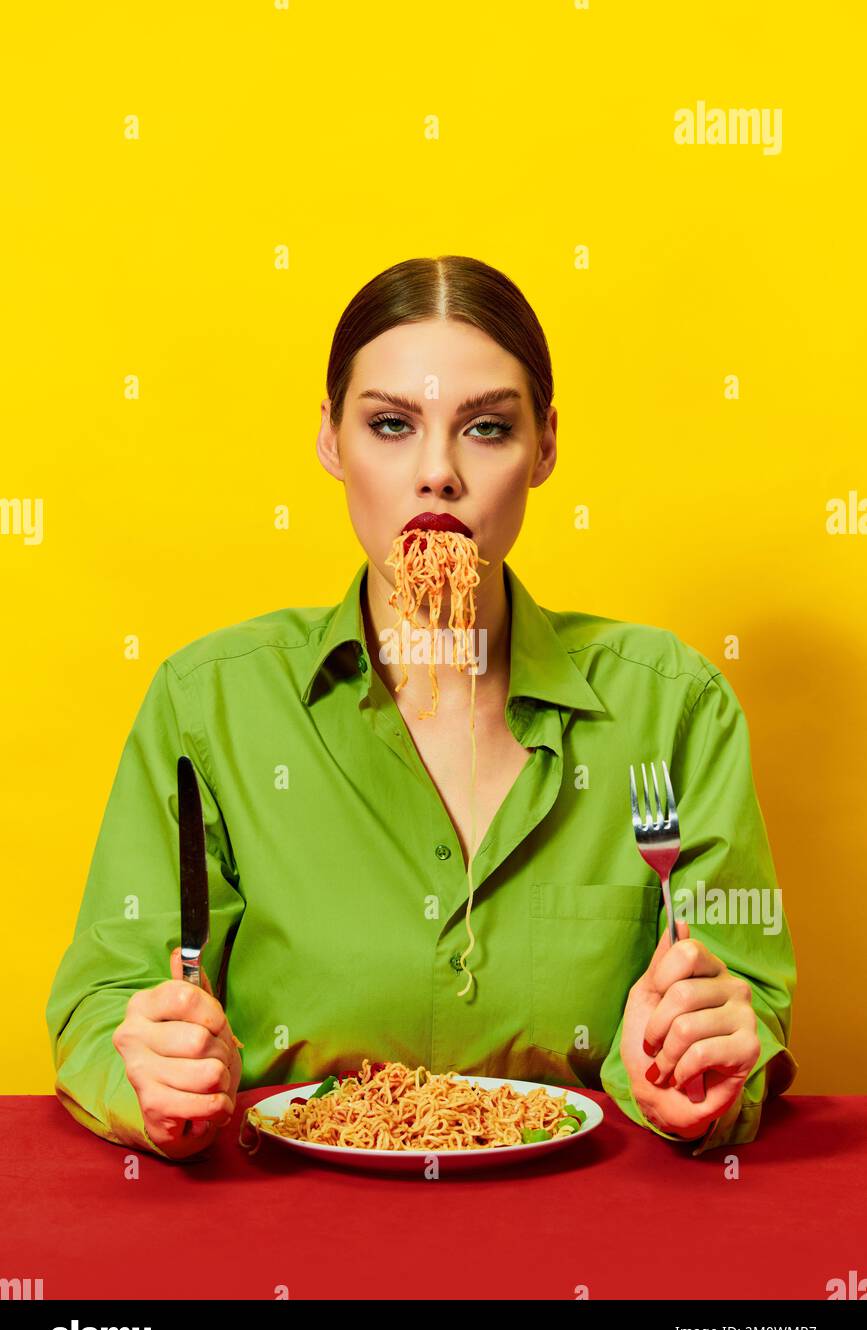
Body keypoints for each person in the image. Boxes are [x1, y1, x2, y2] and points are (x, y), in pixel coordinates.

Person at [45, 255, 797, 1163]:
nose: (436, 473)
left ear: (546, 446)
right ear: (329, 439)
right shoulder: (210, 702)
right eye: (392, 425)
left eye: (485, 428)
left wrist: (695, 1067)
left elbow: (743, 995)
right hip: (282, 1225)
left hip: (579, 1232)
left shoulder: (671, 705)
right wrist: (148, 1074)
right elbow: (104, 999)